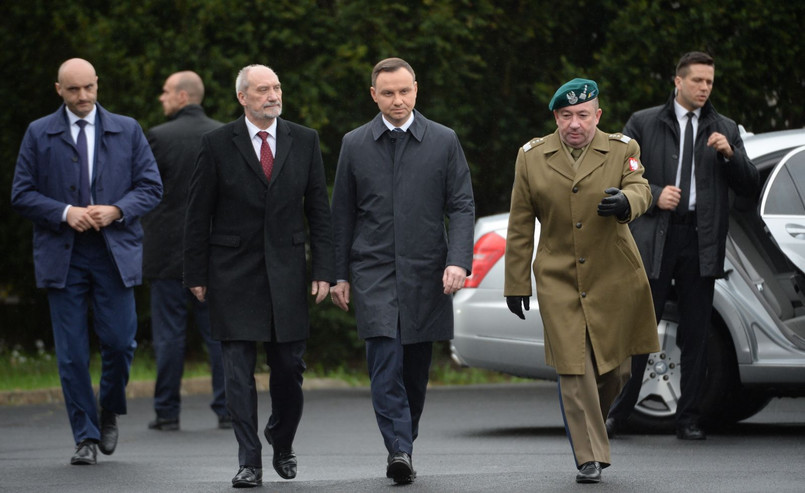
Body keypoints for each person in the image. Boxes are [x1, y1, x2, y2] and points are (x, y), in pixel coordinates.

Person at [183, 64, 334, 488]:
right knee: (236, 369)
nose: (273, 95)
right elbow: (198, 215)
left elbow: (319, 212)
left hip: (286, 271)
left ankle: (281, 439)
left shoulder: (304, 140)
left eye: (277, 87)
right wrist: (194, 271)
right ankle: (249, 460)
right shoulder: (215, 144)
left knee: (288, 367)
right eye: (263, 89)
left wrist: (324, 268)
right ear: (242, 98)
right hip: (232, 272)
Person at [504, 78, 659, 484]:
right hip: (558, 276)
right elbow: (520, 225)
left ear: (598, 116)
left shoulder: (623, 148)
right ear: (556, 116)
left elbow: (640, 186)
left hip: (614, 274)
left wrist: (627, 202)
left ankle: (591, 426)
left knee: (618, 370)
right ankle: (590, 455)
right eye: (566, 115)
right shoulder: (532, 157)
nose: (575, 124)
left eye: (583, 115)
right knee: (574, 368)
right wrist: (516, 282)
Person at [330, 57, 475, 485]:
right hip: (372, 270)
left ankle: (403, 443)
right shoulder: (354, 144)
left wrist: (458, 260)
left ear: (417, 89)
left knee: (414, 368)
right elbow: (342, 215)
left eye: (404, 91)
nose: (397, 100)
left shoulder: (444, 140)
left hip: (426, 271)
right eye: (388, 93)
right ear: (374, 95)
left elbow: (462, 204)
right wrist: (340, 274)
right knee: (384, 359)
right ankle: (399, 449)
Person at [11, 58, 162, 465]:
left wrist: (116, 209)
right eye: (73, 90)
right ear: (58, 89)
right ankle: (84, 436)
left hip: (114, 253)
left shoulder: (127, 129)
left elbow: (151, 187)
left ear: (98, 85)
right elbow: (21, 193)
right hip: (63, 255)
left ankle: (108, 408)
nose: (83, 97)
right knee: (72, 353)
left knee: (120, 341)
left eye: (89, 88)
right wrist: (64, 212)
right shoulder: (39, 133)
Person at [606, 52, 759, 441]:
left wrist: (730, 154)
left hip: (701, 238)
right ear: (678, 82)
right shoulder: (644, 122)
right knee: (641, 328)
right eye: (697, 81)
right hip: (656, 235)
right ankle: (618, 413)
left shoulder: (724, 128)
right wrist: (655, 194)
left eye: (709, 82)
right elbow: (617, 172)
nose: (705, 88)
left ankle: (688, 417)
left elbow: (749, 186)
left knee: (695, 331)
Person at [142, 71, 229, 431]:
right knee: (219, 335)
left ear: (181, 96)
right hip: (214, 254)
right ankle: (228, 410)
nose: (160, 98)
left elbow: (143, 191)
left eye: (164, 92)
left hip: (166, 253)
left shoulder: (158, 138)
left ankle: (166, 412)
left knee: (169, 335)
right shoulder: (224, 135)